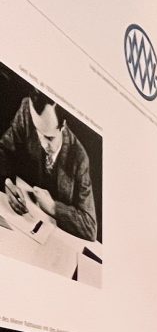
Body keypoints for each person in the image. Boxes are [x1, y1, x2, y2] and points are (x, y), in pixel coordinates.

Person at [0, 86, 98, 241]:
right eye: (38, 133)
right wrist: (7, 182)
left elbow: (90, 227)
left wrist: (53, 207)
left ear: (63, 126)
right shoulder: (26, 110)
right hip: (22, 226)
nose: (43, 144)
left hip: (53, 238)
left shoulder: (79, 158)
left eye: (49, 138)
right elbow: (3, 150)